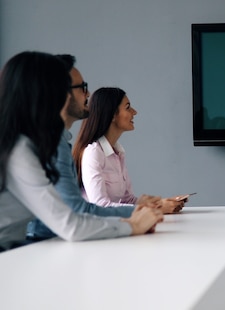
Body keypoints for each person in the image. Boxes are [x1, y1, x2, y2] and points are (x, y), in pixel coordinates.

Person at [0, 51, 163, 252]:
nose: (85, 94)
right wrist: (133, 225)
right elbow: (70, 223)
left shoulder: (29, 142)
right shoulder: (19, 149)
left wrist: (137, 213)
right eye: (67, 87)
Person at [72, 87, 186, 211]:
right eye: (127, 107)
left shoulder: (118, 152)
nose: (134, 112)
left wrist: (162, 203)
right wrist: (155, 208)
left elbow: (127, 200)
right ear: (112, 116)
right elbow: (100, 206)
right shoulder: (94, 153)